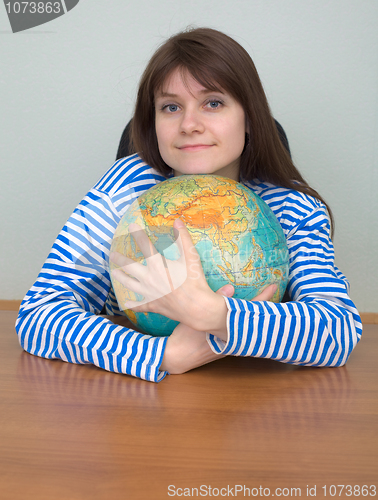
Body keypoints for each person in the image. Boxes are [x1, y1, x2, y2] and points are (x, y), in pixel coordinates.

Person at [16, 28, 362, 382]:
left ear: (249, 117)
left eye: (213, 103)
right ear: (153, 122)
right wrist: (164, 355)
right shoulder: (124, 190)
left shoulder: (293, 208)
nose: (189, 125)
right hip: (135, 400)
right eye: (171, 107)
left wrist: (214, 314)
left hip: (247, 395)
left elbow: (337, 332)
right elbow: (38, 314)